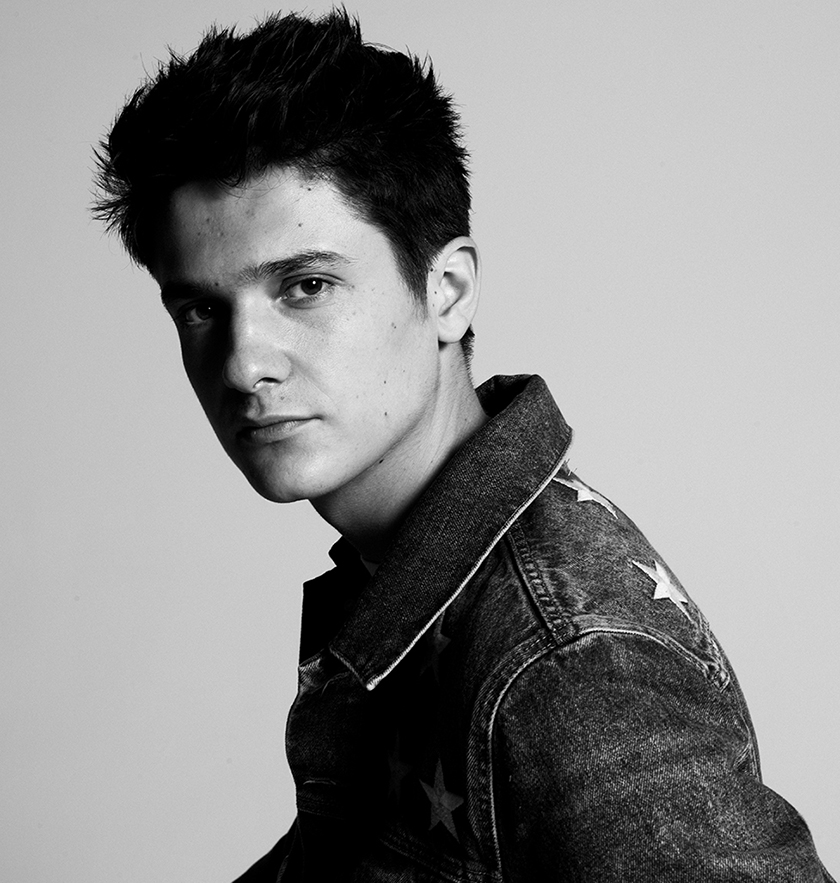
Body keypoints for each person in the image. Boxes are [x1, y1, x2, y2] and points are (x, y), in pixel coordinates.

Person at [94, 9, 834, 882]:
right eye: (200, 309)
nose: (244, 361)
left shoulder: (565, 663)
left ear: (447, 290)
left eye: (306, 285)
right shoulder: (416, 591)